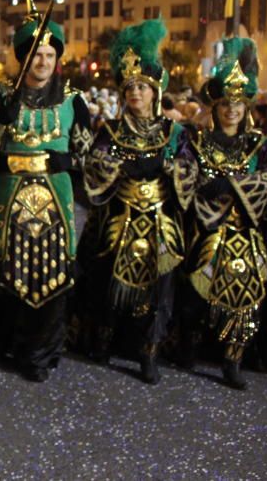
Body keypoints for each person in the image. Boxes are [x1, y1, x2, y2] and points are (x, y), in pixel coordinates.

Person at [0, 0, 93, 382]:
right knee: (8, 272)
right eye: (35, 54)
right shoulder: (0, 96)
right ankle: (7, 343)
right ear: (23, 57)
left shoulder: (74, 101)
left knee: (51, 274)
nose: (42, 61)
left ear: (58, 59)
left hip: (55, 199)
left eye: (49, 55)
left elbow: (89, 157)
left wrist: (67, 161)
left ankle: (41, 353)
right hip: (8, 198)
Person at [78, 20, 192, 384]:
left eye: (142, 86)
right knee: (110, 281)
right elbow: (94, 164)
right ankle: (104, 340)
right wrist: (122, 167)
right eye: (129, 87)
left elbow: (191, 170)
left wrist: (168, 167)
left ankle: (149, 351)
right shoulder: (110, 130)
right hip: (121, 217)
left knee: (160, 290)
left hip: (161, 221)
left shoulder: (174, 133)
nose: (135, 93)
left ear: (156, 91)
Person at [176, 37, 267, 389]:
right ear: (215, 107)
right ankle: (188, 345)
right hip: (206, 229)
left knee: (249, 293)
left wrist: (229, 187)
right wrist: (215, 188)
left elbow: (265, 183)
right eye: (225, 103)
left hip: (245, 233)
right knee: (195, 290)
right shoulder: (198, 141)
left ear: (246, 106)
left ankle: (234, 358)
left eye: (238, 103)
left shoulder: (259, 146)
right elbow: (187, 176)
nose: (232, 110)